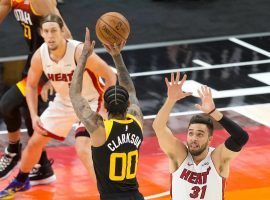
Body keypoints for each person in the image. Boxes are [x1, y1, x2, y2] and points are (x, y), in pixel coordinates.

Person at [0, 14, 116, 199]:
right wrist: (34, 115)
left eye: (54, 30)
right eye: (46, 31)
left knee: (82, 146)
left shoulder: (79, 51)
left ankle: (108, 193)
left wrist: (106, 108)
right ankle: (21, 181)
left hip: (92, 101)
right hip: (64, 102)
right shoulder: (40, 55)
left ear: (62, 32)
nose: (50, 35)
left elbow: (110, 75)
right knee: (35, 141)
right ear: (41, 33)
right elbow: (30, 85)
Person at [0, 0, 72, 184]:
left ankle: (13, 151)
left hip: (49, 63)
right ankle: (42, 167)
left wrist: (54, 75)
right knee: (29, 113)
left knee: (7, 104)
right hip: (34, 59)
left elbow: (67, 36)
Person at [69, 29, 144, 200]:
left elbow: (75, 94)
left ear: (105, 107)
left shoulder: (99, 129)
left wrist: (83, 58)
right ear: (128, 106)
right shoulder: (137, 120)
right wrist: (117, 56)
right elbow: (130, 89)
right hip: (136, 196)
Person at [152, 72, 249, 200]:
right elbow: (158, 127)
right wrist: (170, 100)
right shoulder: (179, 154)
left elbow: (241, 137)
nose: (193, 138)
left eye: (200, 134)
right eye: (190, 133)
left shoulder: (217, 158)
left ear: (210, 139)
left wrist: (213, 113)